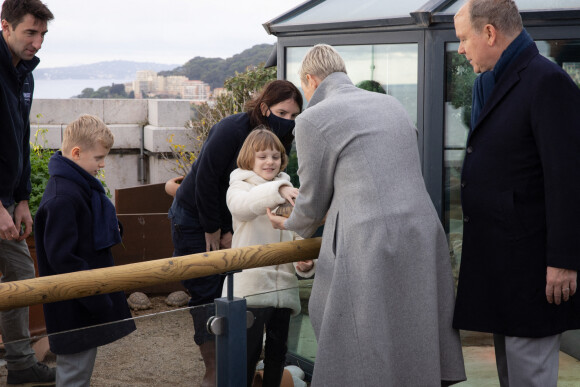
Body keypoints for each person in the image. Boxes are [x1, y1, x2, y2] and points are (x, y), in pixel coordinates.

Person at [266, 44, 466, 386]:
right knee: (411, 323)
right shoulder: (389, 103)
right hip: (421, 227)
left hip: (369, 235)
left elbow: (312, 200)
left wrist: (289, 222)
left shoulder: (312, 118)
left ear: (310, 80)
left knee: (361, 330)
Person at [452, 1, 580, 386]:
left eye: (463, 39)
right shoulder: (486, 83)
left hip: (534, 270)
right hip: (499, 264)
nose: (460, 48)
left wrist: (563, 261)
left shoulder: (547, 81)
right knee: (512, 378)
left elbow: (569, 177)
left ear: (489, 33)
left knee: (530, 379)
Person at [168, 80, 303, 386]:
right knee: (205, 287)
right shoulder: (231, 129)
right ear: (265, 108)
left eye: (295, 116)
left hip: (231, 217)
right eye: (283, 112)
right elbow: (205, 179)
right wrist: (214, 228)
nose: (289, 121)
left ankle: (238, 364)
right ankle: (215, 369)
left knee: (233, 290)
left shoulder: (282, 137)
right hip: (195, 214)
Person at [34, 115, 136, 386]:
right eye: (99, 158)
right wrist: (96, 295)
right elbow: (61, 258)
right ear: (77, 153)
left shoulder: (75, 188)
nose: (102, 165)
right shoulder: (63, 198)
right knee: (74, 374)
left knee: (79, 370)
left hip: (80, 301)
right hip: (74, 304)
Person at [223, 127, 315, 386]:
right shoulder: (238, 187)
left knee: (277, 354)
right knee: (246, 356)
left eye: (275, 156)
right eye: (262, 156)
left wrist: (306, 262)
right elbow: (243, 208)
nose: (270, 161)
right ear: (248, 159)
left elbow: (297, 235)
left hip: (283, 289)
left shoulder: (287, 190)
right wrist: (280, 189)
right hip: (251, 291)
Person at [0, 0, 56, 385]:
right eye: (30, 33)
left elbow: (20, 136)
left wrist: (21, 199)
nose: (37, 42)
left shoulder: (24, 75)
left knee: (21, 277)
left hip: (6, 200)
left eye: (42, 35)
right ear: (5, 26)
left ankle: (20, 365)